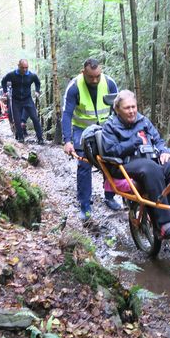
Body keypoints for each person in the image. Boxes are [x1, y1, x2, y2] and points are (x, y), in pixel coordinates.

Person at [101, 90, 170, 239]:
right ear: (117, 109)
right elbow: (110, 152)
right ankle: (164, 223)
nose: (132, 111)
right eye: (127, 108)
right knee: (152, 168)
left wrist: (164, 151)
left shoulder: (143, 121)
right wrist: (132, 143)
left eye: (133, 107)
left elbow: (158, 140)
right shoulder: (110, 126)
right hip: (123, 166)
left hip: (149, 161)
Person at [62, 58, 122, 221]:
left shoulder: (109, 83)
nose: (95, 80)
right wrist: (67, 140)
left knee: (111, 161)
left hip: (105, 128)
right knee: (84, 163)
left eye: (97, 76)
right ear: (83, 73)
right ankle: (85, 205)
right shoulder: (74, 87)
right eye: (91, 77)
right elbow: (67, 114)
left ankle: (110, 196)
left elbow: (118, 109)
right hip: (82, 130)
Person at [1, 59, 44, 144]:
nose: (24, 70)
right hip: (16, 100)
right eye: (22, 67)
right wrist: (5, 91)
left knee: (35, 118)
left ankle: (40, 138)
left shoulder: (31, 75)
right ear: (18, 66)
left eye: (26, 68)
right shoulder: (12, 75)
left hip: (27, 99)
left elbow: (37, 82)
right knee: (17, 120)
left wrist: (37, 90)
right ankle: (20, 138)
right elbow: (3, 81)